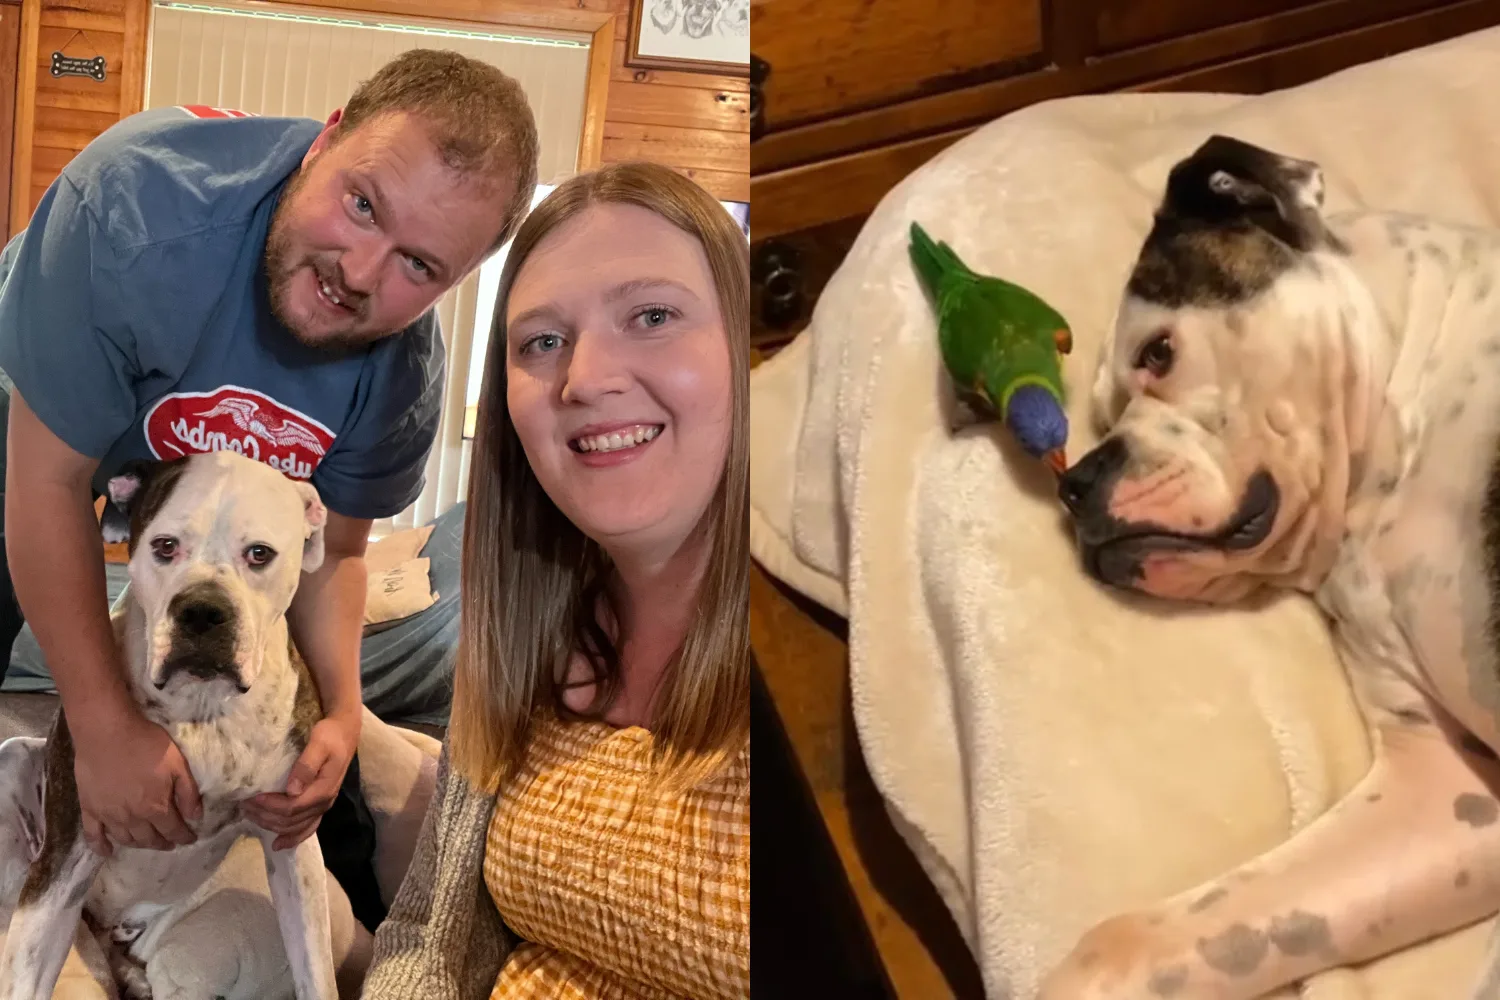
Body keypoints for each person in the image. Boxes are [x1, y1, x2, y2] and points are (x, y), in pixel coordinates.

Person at [0, 47, 538, 931]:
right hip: (30, 421)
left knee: (334, 785)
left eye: (420, 266)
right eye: (362, 204)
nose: (360, 273)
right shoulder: (131, 214)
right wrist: (101, 727)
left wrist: (343, 715)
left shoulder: (401, 375)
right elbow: (50, 487)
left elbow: (341, 559)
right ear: (323, 142)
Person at [359, 161, 750, 998]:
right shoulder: (523, 638)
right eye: (542, 340)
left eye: (652, 315)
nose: (585, 379)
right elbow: (427, 933)